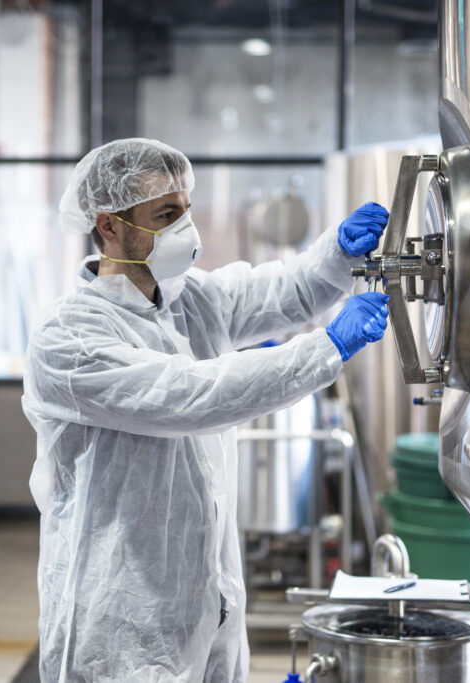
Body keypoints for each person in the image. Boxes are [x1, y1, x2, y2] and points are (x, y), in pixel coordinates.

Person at [23, 138, 390, 682]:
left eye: (185, 211)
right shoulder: (68, 339)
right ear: (108, 226)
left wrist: (335, 255)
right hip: (121, 610)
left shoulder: (187, 300)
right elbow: (192, 394)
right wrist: (325, 347)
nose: (184, 230)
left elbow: (277, 293)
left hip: (207, 594)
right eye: (165, 215)